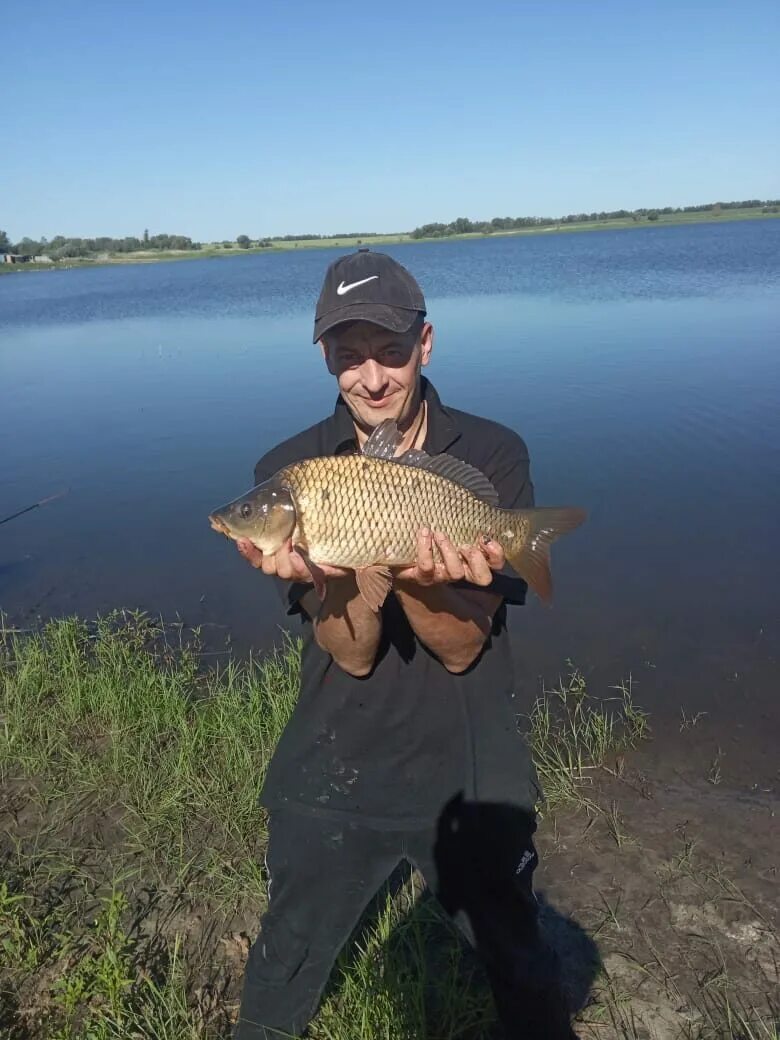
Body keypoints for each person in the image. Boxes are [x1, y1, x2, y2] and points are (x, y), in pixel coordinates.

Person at [233, 250, 575, 1039]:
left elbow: (460, 651)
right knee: (284, 952)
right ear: (325, 358)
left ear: (426, 343)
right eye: (349, 358)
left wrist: (424, 576)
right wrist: (333, 577)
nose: (373, 378)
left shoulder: (492, 453)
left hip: (467, 743)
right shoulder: (293, 472)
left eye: (390, 351)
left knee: (519, 961)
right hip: (339, 738)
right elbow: (350, 654)